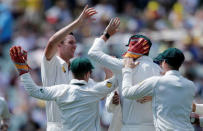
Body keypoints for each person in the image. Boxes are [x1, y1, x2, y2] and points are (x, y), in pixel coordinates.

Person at [10, 46, 117, 131]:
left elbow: (33, 91)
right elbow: (111, 85)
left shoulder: (61, 90)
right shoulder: (94, 90)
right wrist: (111, 70)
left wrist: (22, 70)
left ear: (73, 73)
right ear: (88, 73)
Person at [88, 18, 162, 131]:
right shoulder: (160, 70)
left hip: (130, 127)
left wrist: (106, 34)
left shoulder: (123, 65)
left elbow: (93, 52)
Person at [41, 5, 97, 131]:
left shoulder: (75, 69)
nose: (75, 46)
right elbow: (51, 43)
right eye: (70, 43)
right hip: (57, 126)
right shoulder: (51, 63)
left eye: (75, 43)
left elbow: (95, 92)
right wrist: (77, 22)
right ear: (59, 45)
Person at [122, 48, 195, 130]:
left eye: (160, 62)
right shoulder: (191, 85)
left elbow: (127, 93)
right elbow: (174, 101)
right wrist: (154, 97)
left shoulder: (157, 81)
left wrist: (127, 69)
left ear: (164, 62)